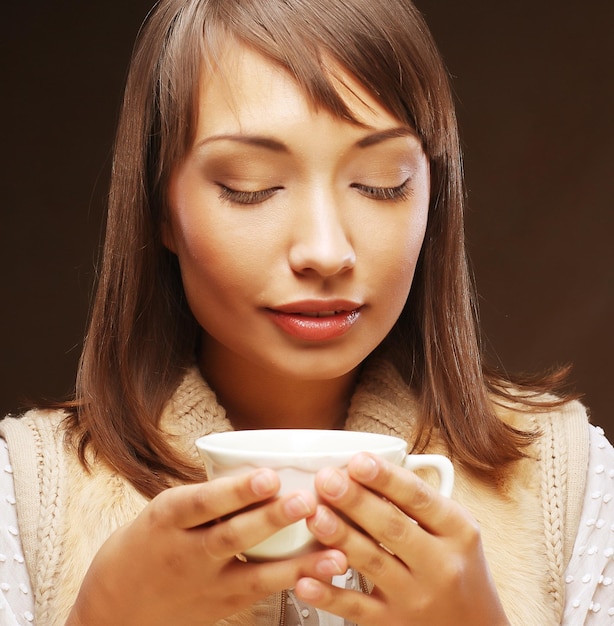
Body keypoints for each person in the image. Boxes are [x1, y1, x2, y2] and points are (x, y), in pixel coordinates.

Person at [1, 0, 612, 624]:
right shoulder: (28, 489)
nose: (326, 251)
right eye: (250, 186)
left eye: (381, 183)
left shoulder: (567, 475)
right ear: (160, 206)